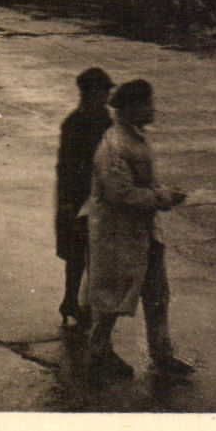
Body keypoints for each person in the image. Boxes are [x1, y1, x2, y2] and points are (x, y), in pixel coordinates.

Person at [81, 78, 194, 379]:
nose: (153, 109)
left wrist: (161, 192)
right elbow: (121, 194)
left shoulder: (134, 138)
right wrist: (163, 197)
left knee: (157, 294)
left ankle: (162, 354)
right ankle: (99, 350)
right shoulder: (115, 145)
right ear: (131, 109)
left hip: (141, 232)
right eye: (148, 104)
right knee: (113, 296)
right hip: (118, 233)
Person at [55, 67, 115, 327]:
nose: (106, 96)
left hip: (98, 193)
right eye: (103, 91)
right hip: (78, 195)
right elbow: (66, 164)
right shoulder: (75, 123)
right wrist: (68, 201)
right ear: (90, 93)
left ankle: (75, 302)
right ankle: (72, 301)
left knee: (90, 252)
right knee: (78, 252)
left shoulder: (105, 119)